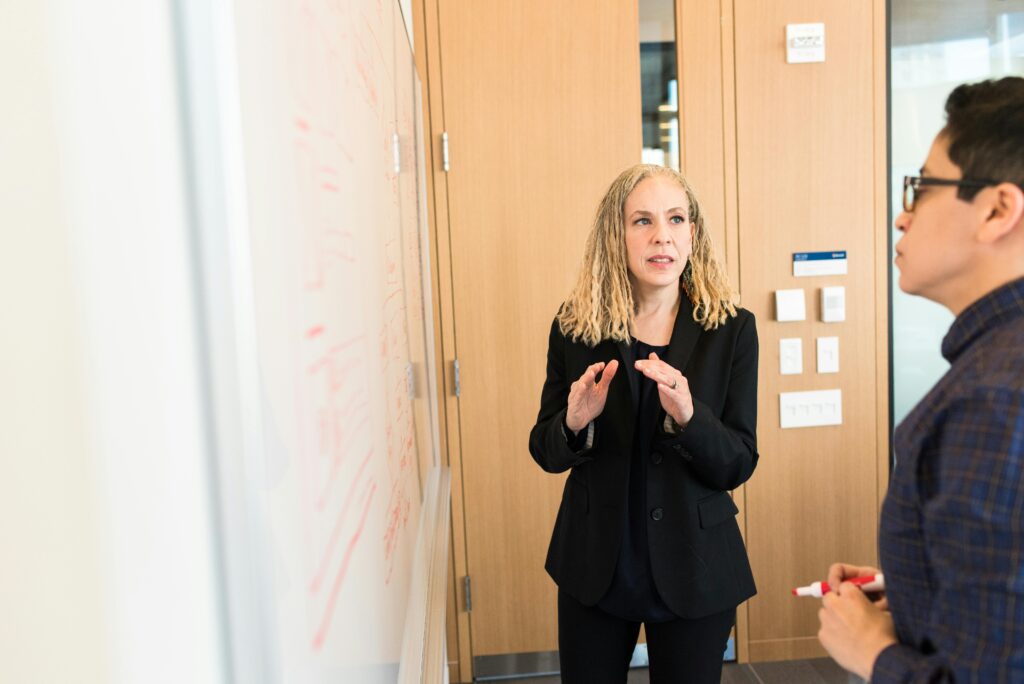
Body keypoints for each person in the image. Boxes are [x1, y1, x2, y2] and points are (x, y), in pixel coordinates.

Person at [817, 77, 1024, 681]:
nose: (903, 216)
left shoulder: (994, 398)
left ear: (997, 210)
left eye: (922, 188)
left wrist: (871, 651)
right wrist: (913, 586)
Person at [528, 164, 759, 684]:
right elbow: (544, 450)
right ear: (616, 234)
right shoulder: (574, 326)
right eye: (642, 221)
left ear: (692, 234)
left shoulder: (731, 329)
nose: (662, 236)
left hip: (695, 562)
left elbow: (739, 461)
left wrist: (690, 416)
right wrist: (573, 422)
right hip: (596, 560)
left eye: (676, 219)